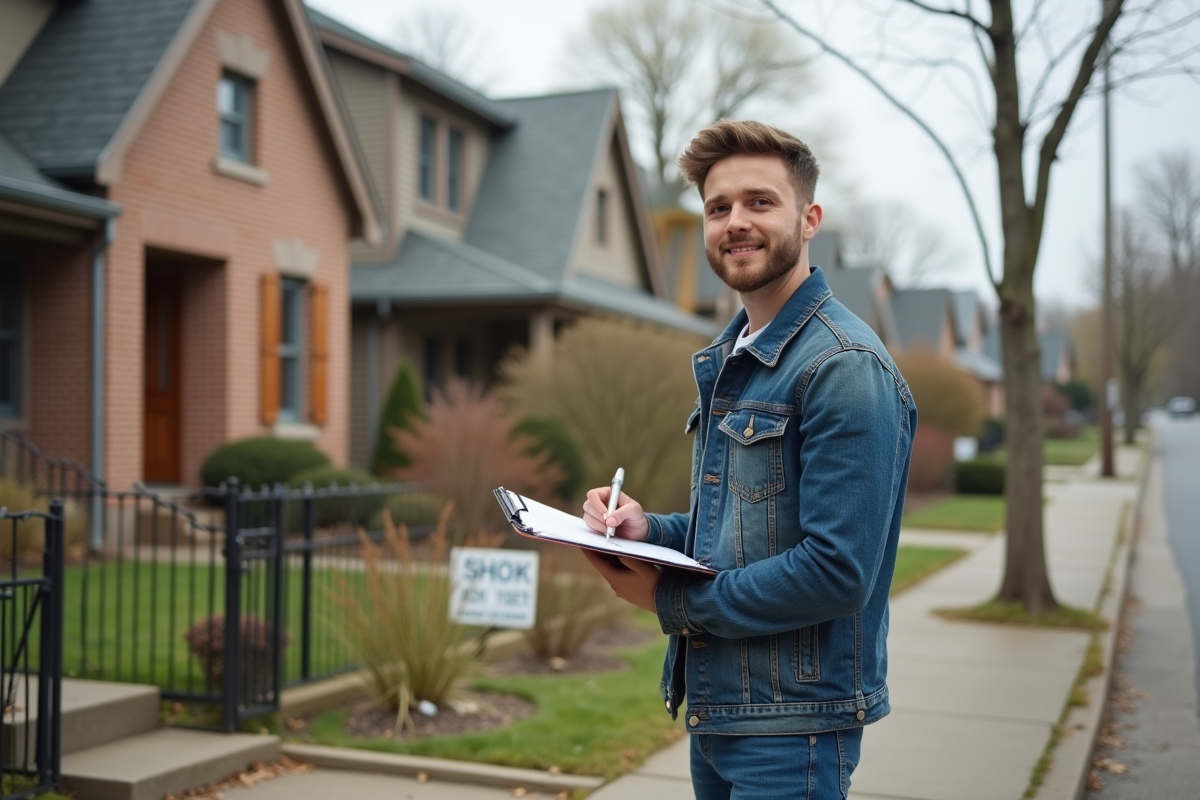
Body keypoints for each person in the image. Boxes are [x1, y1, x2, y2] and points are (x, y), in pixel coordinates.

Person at [580, 119, 916, 799]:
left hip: (793, 730)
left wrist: (669, 599)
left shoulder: (842, 366)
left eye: (760, 202)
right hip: (724, 711)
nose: (736, 222)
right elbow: (739, 530)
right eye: (718, 207)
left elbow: (836, 571)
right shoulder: (739, 358)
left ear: (809, 217)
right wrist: (654, 532)